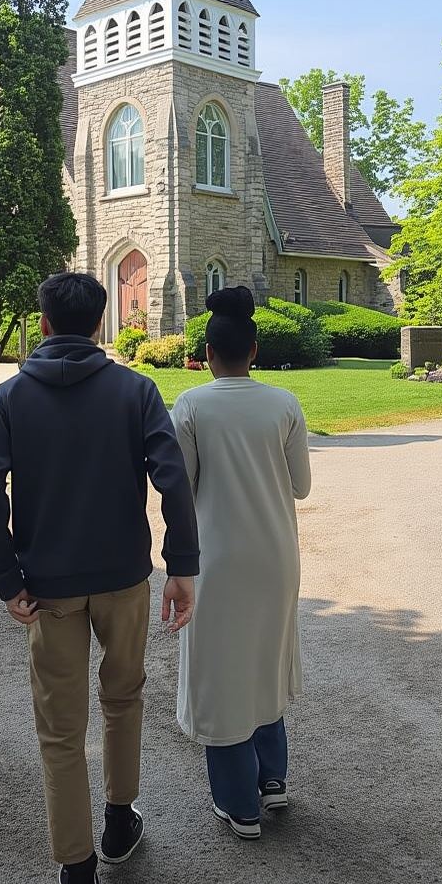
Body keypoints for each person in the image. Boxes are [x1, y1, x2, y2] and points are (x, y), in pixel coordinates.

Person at [0, 273, 199, 884]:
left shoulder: (11, 399)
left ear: (43, 325)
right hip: (124, 577)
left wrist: (6, 577)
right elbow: (172, 478)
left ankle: (77, 870)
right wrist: (180, 564)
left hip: (48, 587)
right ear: (100, 325)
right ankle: (120, 819)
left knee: (59, 728)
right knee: (123, 696)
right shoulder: (136, 390)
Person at [170, 287, 311, 838]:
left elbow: (182, 488)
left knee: (221, 669)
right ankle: (272, 779)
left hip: (217, 557)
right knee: (266, 657)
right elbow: (300, 486)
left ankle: (237, 800)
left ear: (208, 354)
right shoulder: (284, 403)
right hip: (275, 552)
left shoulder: (192, 405)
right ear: (254, 349)